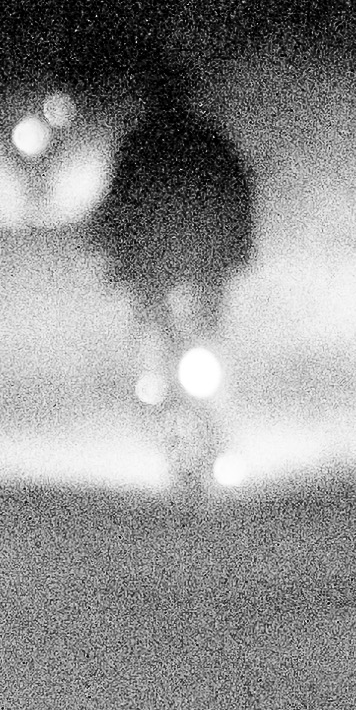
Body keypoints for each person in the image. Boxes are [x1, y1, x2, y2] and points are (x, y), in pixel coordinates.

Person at [84, 79, 261, 473]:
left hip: (188, 259)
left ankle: (205, 410)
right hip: (180, 260)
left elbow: (117, 204)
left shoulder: (146, 144)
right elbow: (118, 205)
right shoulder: (204, 141)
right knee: (174, 329)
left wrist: (114, 249)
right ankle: (167, 396)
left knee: (190, 330)